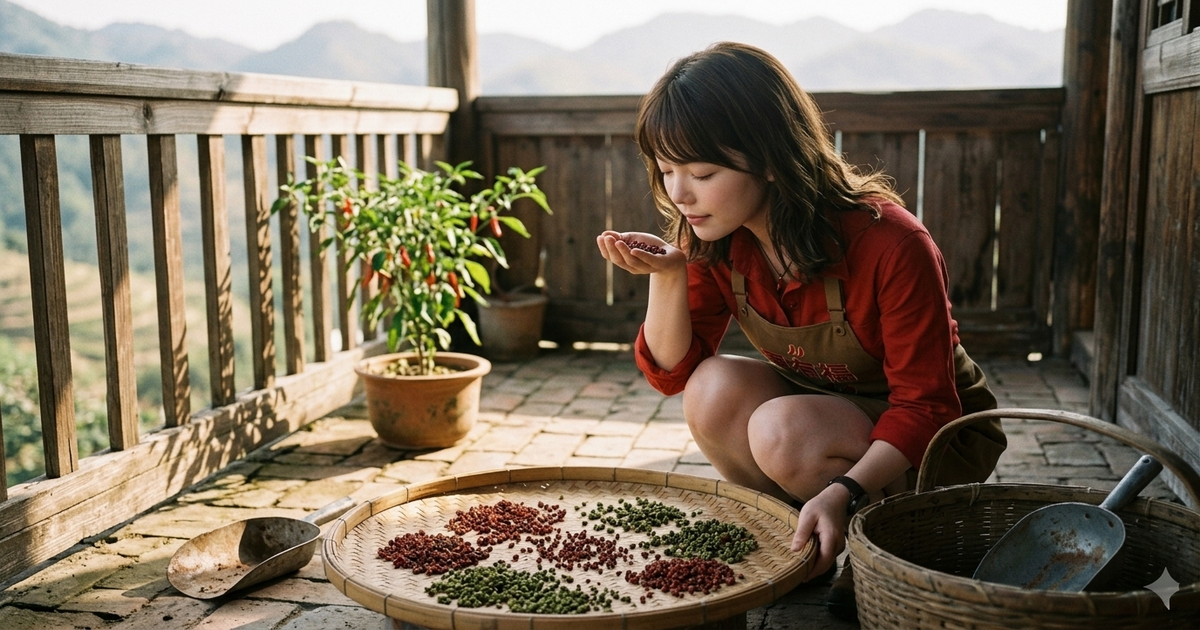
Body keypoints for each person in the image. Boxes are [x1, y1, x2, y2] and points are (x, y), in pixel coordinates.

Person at [595, 42, 1007, 620]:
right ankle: (793, 546)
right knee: (712, 388)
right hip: (826, 416)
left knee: (782, 428)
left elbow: (928, 405)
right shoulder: (718, 236)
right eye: (666, 172)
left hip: (935, 439)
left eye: (702, 172)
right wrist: (667, 275)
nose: (679, 194)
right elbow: (673, 375)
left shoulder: (890, 243)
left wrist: (846, 490)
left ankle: (878, 550)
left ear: (768, 157)